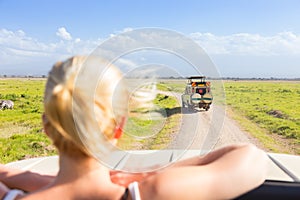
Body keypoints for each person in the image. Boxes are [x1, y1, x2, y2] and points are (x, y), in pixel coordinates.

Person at [0, 56, 268, 200]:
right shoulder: (148, 193)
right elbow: (252, 159)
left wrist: (34, 181)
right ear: (120, 127)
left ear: (48, 126)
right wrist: (141, 175)